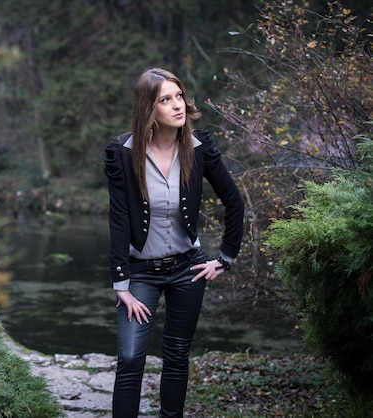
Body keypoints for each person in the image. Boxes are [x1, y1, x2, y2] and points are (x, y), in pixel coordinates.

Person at [103, 68, 244, 418]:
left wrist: (224, 258)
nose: (177, 105)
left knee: (177, 356)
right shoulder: (122, 153)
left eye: (179, 96)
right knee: (131, 358)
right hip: (139, 273)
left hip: (187, 269)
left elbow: (234, 201)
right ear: (148, 108)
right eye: (166, 100)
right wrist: (121, 284)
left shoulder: (199, 149)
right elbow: (119, 220)